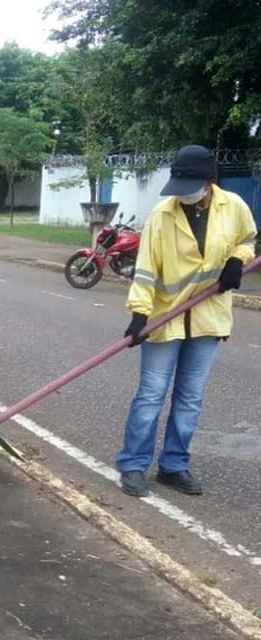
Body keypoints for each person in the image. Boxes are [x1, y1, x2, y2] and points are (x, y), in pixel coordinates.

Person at [118, 145, 256, 497]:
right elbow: (146, 270)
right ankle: (133, 465)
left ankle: (174, 465)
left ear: (209, 181)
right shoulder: (162, 215)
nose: (182, 193)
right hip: (166, 317)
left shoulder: (234, 208)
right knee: (151, 395)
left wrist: (237, 261)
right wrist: (139, 314)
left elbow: (247, 240)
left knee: (189, 398)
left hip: (208, 318)